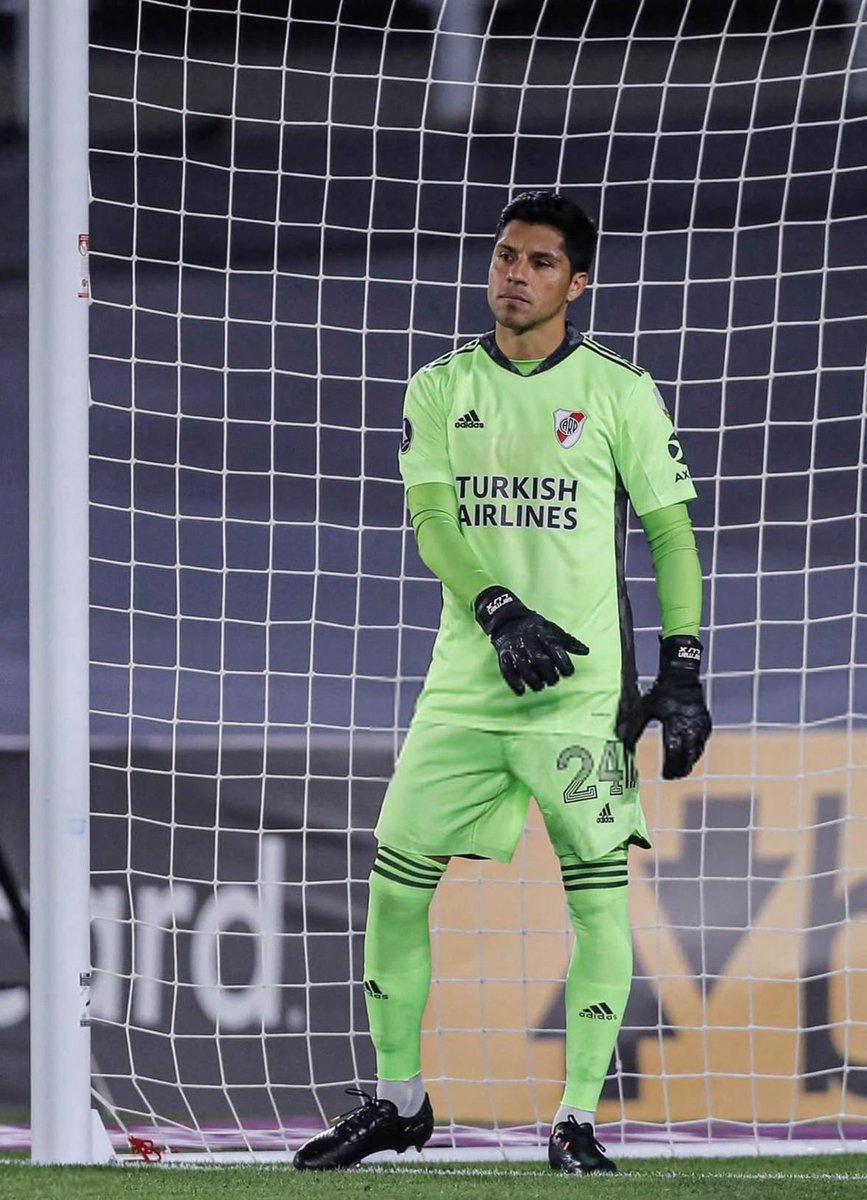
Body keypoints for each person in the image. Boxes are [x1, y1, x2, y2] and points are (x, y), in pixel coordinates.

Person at [294, 191, 711, 1174]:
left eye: (534, 262)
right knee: (395, 886)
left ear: (576, 281)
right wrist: (495, 608)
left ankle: (571, 1121)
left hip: (576, 694)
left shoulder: (619, 390)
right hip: (466, 689)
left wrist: (680, 667)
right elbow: (433, 523)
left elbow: (668, 533)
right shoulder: (438, 387)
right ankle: (399, 1102)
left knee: (598, 901)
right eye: (502, 256)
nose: (510, 274)